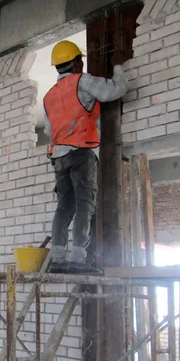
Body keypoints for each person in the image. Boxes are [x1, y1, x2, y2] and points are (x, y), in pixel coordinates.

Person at [43, 40, 128, 274]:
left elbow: (49, 132)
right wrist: (118, 67)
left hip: (58, 157)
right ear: (78, 62)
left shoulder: (49, 96)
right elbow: (114, 91)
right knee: (84, 206)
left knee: (64, 207)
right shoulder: (82, 81)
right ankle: (79, 261)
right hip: (81, 152)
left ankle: (58, 261)